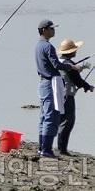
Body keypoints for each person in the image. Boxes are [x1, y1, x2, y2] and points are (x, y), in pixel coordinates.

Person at [35, 19, 81, 158]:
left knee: (44, 116)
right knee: (52, 117)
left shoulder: (38, 45)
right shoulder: (48, 46)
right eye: (51, 28)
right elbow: (56, 65)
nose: (54, 30)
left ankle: (42, 147)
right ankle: (46, 150)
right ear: (44, 30)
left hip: (43, 83)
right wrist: (72, 67)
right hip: (50, 83)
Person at [57, 39, 93, 156]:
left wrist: (79, 68)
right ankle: (62, 150)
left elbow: (72, 73)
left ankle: (61, 148)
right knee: (68, 122)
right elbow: (77, 80)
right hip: (67, 95)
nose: (76, 51)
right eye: (75, 49)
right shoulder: (69, 65)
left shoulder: (60, 61)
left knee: (62, 121)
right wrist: (88, 87)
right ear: (71, 51)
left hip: (59, 94)